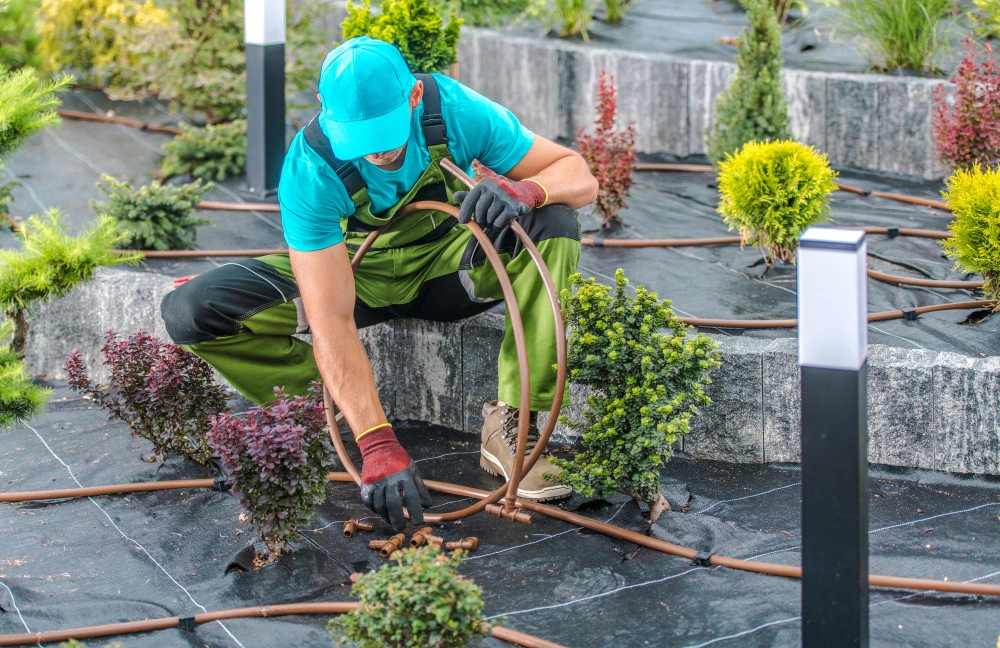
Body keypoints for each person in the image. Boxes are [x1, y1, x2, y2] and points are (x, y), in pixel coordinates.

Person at [160, 37, 598, 532]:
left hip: (447, 270)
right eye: (359, 141)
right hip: (353, 278)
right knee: (192, 311)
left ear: (413, 97)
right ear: (327, 114)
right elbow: (329, 316)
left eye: (385, 136)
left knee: (553, 225)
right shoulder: (311, 168)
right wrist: (375, 440)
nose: (375, 152)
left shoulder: (452, 111)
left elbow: (578, 174)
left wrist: (527, 189)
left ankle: (513, 427)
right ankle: (332, 412)